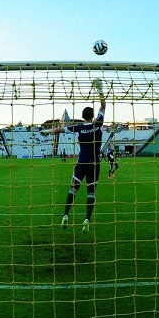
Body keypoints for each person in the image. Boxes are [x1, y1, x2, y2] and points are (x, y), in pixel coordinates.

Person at [43, 90, 107, 232]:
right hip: (95, 163)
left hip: (81, 162)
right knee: (91, 192)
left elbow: (59, 130)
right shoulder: (97, 124)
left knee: (73, 189)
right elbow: (103, 106)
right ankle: (87, 220)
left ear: (82, 117)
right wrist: (100, 91)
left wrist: (47, 132)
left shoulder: (77, 127)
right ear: (93, 116)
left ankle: (65, 215)